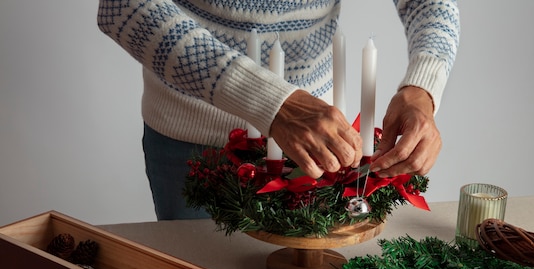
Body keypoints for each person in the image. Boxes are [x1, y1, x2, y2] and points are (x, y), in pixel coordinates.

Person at [97, 0, 460, 220]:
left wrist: (422, 88)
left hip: (316, 148)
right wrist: (271, 102)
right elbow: (123, 7)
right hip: (191, 140)